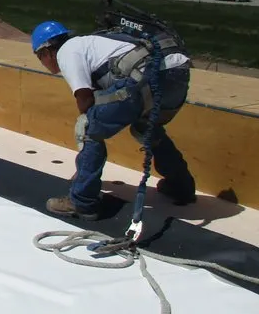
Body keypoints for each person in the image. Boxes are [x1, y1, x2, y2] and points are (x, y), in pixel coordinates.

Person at [31, 20, 196, 220]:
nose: (43, 62)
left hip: (145, 78)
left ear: (46, 52)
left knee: (87, 127)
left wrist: (85, 164)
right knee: (146, 129)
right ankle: (181, 185)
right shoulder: (94, 44)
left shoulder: (66, 51)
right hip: (176, 76)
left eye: (40, 57)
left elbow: (85, 100)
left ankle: (82, 201)